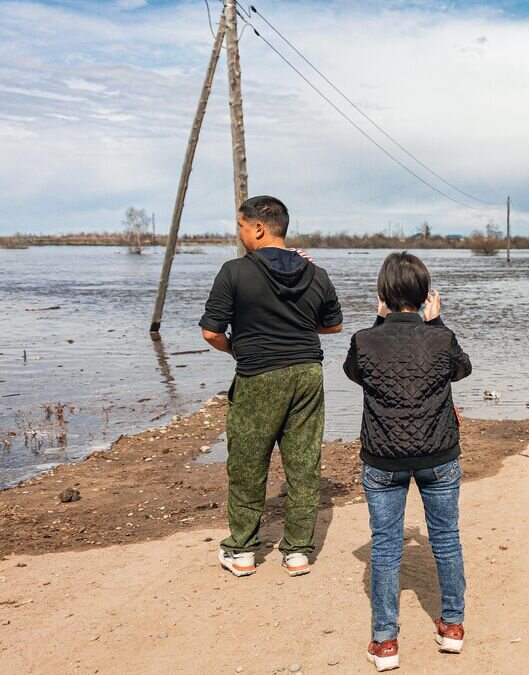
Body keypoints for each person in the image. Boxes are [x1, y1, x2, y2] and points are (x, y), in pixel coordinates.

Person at [199, 195, 343, 578]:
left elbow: (211, 332)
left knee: (247, 463)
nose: (240, 234)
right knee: (303, 463)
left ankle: (242, 551)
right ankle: (297, 553)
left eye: (241, 226)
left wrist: (237, 348)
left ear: (259, 228)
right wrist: (296, 329)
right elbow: (334, 325)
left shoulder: (234, 272)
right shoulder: (316, 273)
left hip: (259, 375)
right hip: (307, 374)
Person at [343, 252, 472, 671]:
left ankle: (385, 641)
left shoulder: (364, 339)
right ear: (424, 294)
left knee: (385, 546)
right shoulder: (441, 337)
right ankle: (452, 626)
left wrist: (379, 321)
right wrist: (436, 323)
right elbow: (462, 370)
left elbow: (354, 373)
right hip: (438, 455)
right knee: (446, 538)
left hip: (383, 459)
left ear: (383, 294)